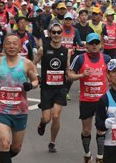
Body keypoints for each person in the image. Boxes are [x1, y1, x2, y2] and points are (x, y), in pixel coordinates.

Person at [0, 34, 39, 163]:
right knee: (5, 143)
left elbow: (35, 81)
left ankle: (4, 158)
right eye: (8, 43)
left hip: (20, 111)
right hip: (2, 109)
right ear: (3, 46)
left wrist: (30, 85)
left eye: (14, 43)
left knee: (16, 148)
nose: (11, 46)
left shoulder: (27, 63)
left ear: (19, 47)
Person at [68, 33, 111, 163]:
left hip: (102, 100)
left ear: (100, 44)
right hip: (86, 100)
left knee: (101, 129)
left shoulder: (107, 58)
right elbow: (70, 75)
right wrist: (81, 75)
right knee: (86, 131)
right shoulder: (80, 59)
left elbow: (114, 75)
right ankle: (87, 154)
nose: (94, 45)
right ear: (86, 45)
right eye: (91, 43)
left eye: (96, 43)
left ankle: (100, 156)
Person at [33, 23, 70, 153]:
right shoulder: (43, 49)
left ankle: (52, 142)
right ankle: (42, 123)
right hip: (46, 89)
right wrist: (36, 76)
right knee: (47, 118)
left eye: (58, 32)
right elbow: (33, 64)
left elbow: (67, 69)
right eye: (53, 32)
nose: (56, 35)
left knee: (55, 116)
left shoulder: (66, 51)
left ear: (61, 34)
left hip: (60, 88)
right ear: (49, 33)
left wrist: (76, 75)